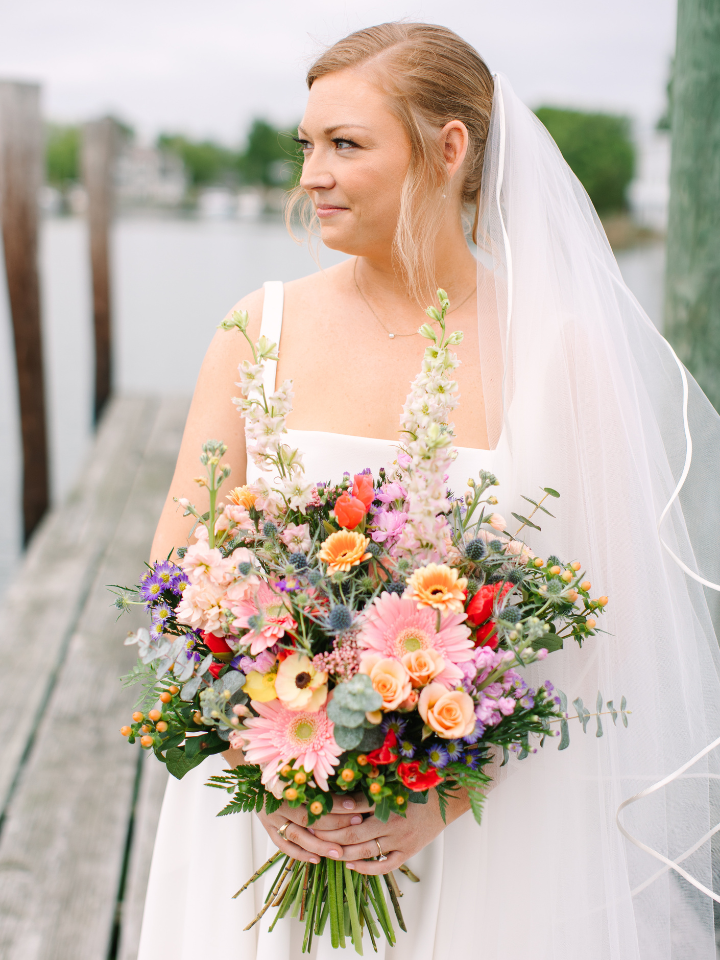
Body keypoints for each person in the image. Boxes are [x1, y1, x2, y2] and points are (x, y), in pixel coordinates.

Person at [138, 22, 720, 960]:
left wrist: (443, 796)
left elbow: (606, 627)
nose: (312, 175)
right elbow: (177, 574)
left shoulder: (556, 350)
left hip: (483, 836)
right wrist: (268, 763)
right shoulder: (258, 328)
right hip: (264, 821)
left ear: (449, 150)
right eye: (306, 145)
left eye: (346, 144)